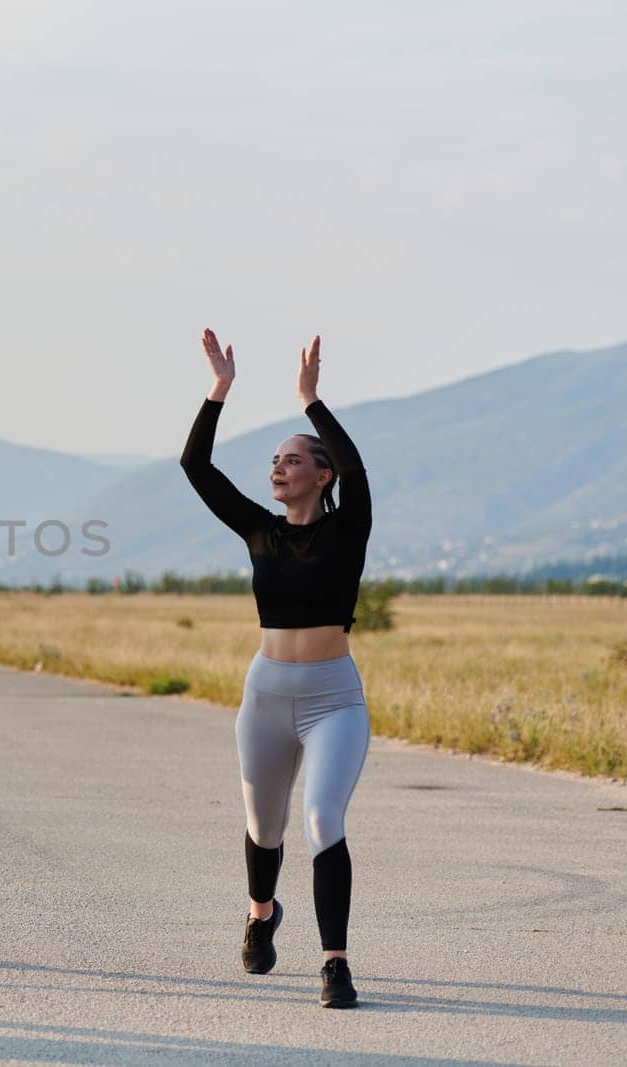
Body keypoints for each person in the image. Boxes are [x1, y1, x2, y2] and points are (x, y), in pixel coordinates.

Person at [179, 329, 372, 1009]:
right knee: (265, 828)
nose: (279, 467)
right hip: (265, 697)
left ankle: (335, 964)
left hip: (333, 701)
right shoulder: (260, 531)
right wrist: (219, 390)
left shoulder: (348, 528)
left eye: (293, 460)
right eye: (274, 459)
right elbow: (195, 465)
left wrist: (310, 401)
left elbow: (357, 471)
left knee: (323, 819)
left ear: (321, 475)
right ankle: (262, 912)